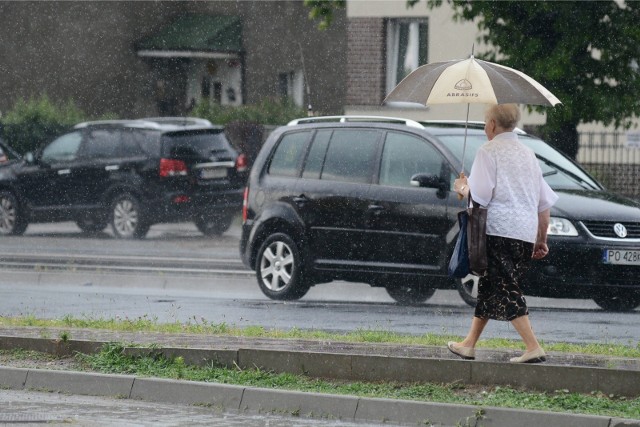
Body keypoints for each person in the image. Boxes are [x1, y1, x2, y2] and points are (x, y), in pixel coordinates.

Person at [449, 103, 558, 364]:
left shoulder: (488, 151)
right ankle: (469, 344)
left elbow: (480, 198)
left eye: (486, 122)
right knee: (490, 287)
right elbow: (544, 204)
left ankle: (533, 347)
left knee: (506, 287)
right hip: (524, 233)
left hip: (497, 232)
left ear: (494, 125)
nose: (486, 126)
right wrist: (541, 239)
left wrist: (463, 188)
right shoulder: (528, 154)